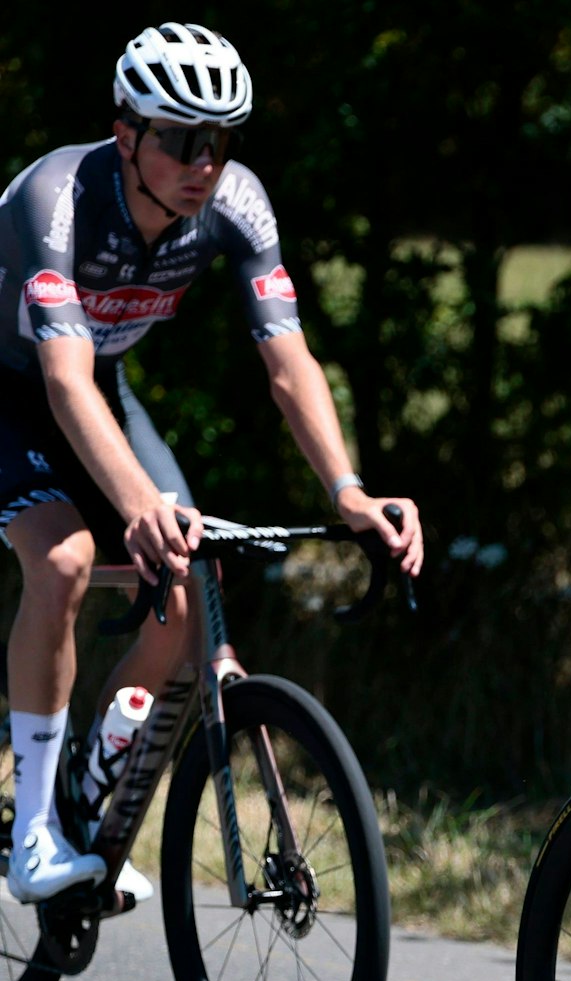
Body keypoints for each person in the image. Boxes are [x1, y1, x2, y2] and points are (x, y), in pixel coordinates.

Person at [1, 23, 423, 904]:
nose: (205, 163)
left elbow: (288, 362)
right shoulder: (54, 197)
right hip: (16, 387)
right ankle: (34, 830)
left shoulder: (236, 202)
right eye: (183, 140)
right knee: (66, 558)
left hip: (100, 389)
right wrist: (137, 505)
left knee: (189, 590)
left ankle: (85, 792)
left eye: (220, 142)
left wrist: (347, 491)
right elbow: (62, 377)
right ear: (126, 133)